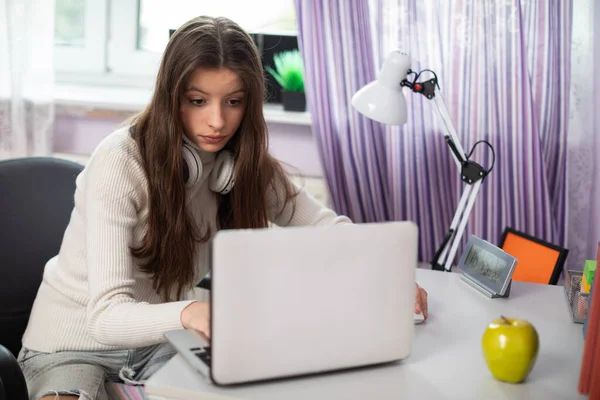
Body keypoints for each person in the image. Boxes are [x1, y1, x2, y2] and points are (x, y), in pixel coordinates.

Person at [16, 15, 428, 400]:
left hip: (162, 344)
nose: (217, 121)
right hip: (71, 346)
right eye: (197, 101)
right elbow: (104, 318)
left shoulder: (241, 164)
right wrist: (193, 311)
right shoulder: (121, 162)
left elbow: (322, 223)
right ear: (171, 97)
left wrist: (386, 275)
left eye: (233, 101)